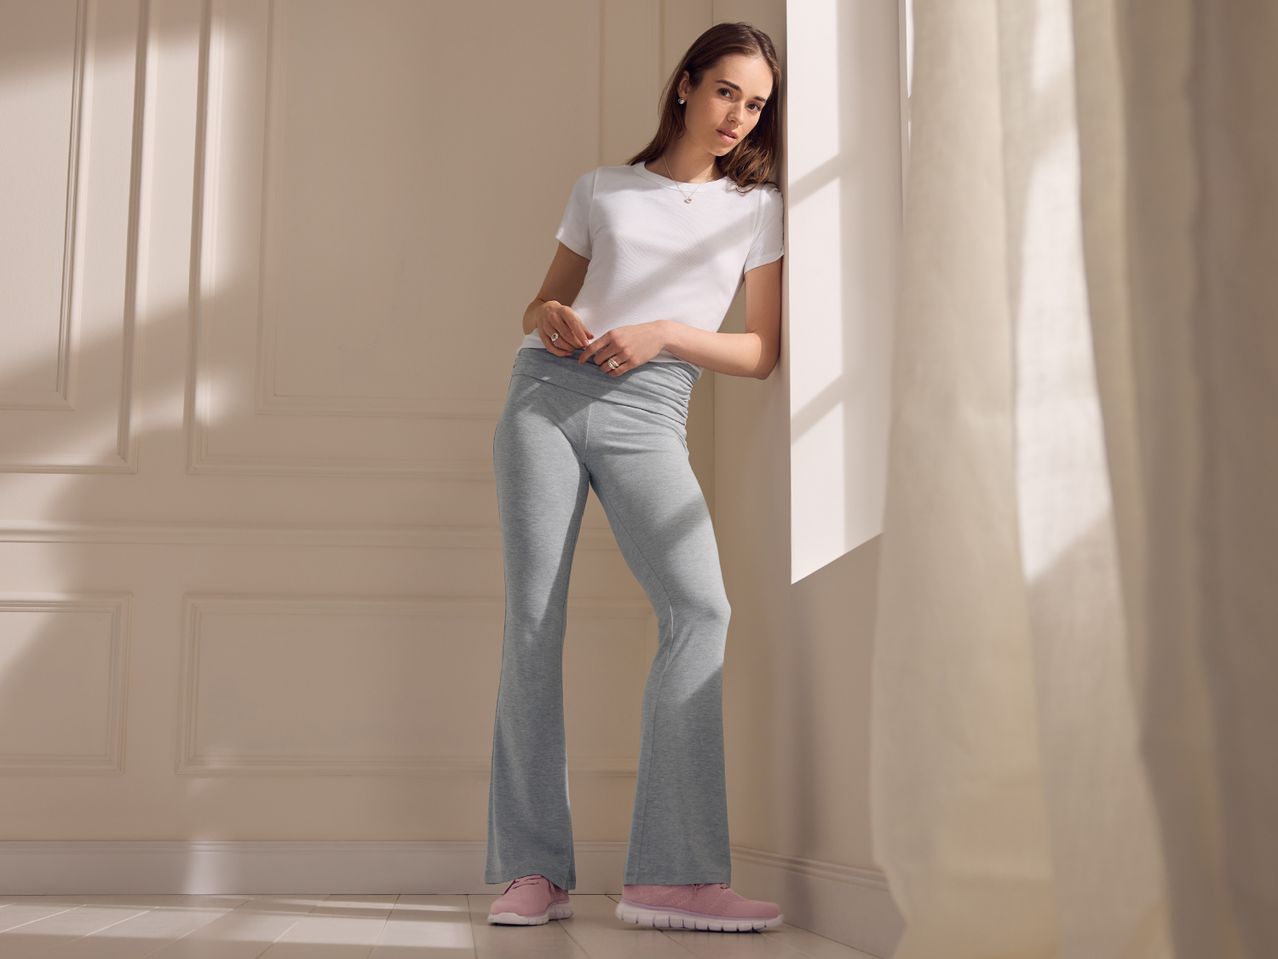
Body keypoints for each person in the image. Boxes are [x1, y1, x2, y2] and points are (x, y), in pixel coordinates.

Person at [485, 21, 786, 933]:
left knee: (701, 608)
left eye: (758, 102)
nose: (740, 114)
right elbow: (542, 298)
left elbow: (761, 349)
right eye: (728, 90)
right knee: (534, 623)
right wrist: (551, 317)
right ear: (688, 85)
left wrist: (663, 333)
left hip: (652, 407)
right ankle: (534, 868)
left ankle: (674, 873)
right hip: (545, 395)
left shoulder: (757, 208)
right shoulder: (603, 188)